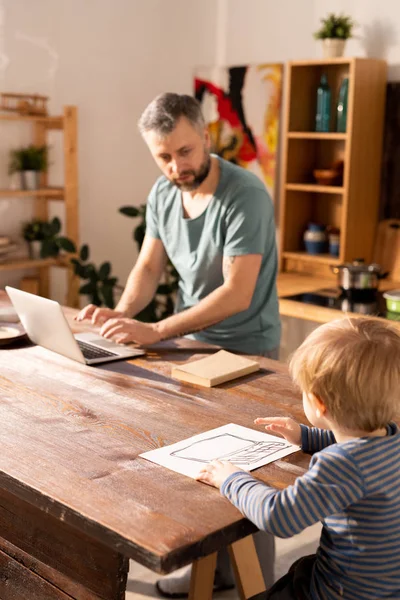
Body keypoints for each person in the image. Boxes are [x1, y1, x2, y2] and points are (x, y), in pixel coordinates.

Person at [76, 93, 280, 596]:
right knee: (199, 460)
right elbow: (148, 266)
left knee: (249, 460)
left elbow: (238, 292)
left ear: (206, 136)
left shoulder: (245, 195)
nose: (176, 166)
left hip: (246, 348)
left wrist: (158, 330)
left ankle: (256, 581)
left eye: (184, 152)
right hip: (191, 343)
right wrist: (122, 315)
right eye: (163, 157)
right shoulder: (164, 193)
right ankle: (214, 571)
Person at [198, 316, 400, 600]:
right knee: (300, 569)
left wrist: (231, 479)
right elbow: (358, 441)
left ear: (318, 402)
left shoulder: (340, 465)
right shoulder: (392, 437)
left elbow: (278, 517)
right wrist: (306, 437)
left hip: (344, 592)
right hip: (386, 585)